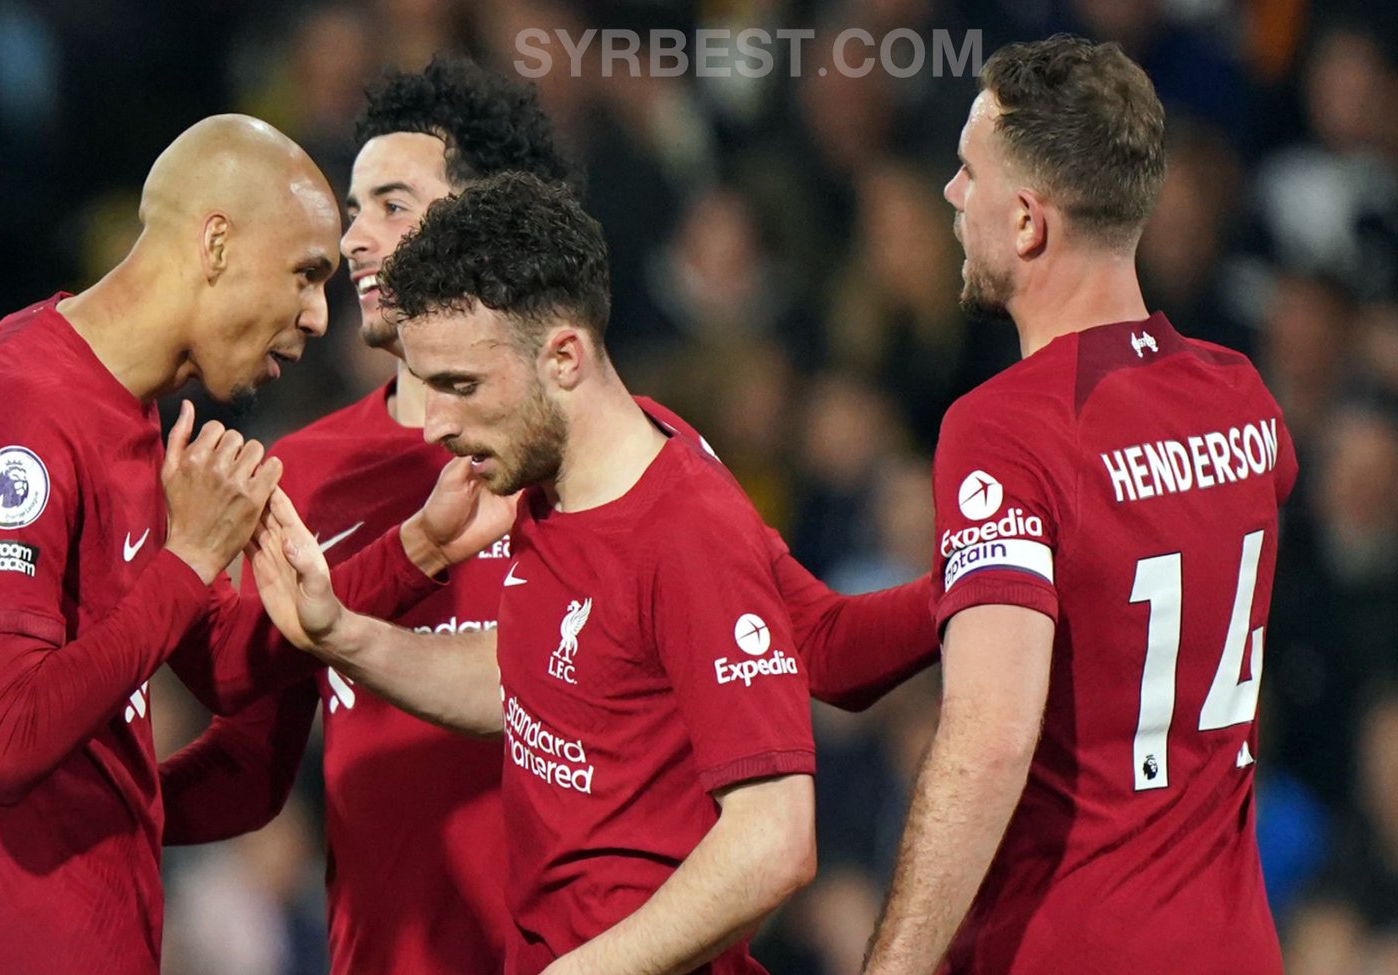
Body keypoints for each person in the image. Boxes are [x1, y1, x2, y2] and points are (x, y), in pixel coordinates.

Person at [159, 59, 943, 974]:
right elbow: (486, 683)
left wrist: (985, 580)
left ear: (488, 221)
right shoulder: (315, 474)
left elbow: (807, 646)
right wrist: (100, 801)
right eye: (353, 208)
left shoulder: (626, 465)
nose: (357, 239)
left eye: (394, 205)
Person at [0, 114, 510, 974]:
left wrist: (417, 549)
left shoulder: (125, 413)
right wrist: (189, 561)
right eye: (305, 274)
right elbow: (5, 737)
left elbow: (222, 662)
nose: (316, 317)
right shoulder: (24, 408)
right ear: (216, 243)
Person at [249, 170, 822, 975]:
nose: (436, 425)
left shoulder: (689, 529)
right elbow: (520, 682)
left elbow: (775, 837)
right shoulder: (545, 500)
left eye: (460, 386)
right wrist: (340, 632)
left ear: (563, 357)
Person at [860, 37, 1296, 975]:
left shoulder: (1007, 428)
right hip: (1237, 948)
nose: (951, 193)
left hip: (1073, 945)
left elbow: (987, 741)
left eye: (969, 171)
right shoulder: (1245, 400)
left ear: (1026, 221)